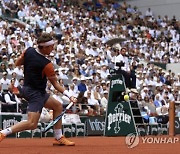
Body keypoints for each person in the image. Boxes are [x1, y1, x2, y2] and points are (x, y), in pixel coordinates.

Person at [0, 33, 77, 146]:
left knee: (58, 106)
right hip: (35, 94)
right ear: (45, 47)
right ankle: (3, 133)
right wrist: (69, 95)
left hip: (31, 90)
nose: (53, 49)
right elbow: (55, 84)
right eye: (51, 47)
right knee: (32, 124)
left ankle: (58, 137)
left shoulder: (29, 51)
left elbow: (17, 63)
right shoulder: (47, 65)